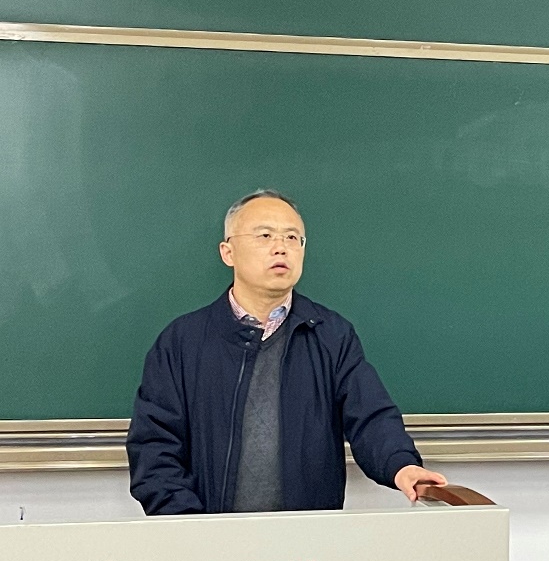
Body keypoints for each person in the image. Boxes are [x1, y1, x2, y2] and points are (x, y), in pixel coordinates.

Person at [126, 190, 446, 516]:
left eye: (292, 238)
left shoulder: (331, 335)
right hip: (209, 539)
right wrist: (189, 526)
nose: (281, 247)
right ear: (228, 252)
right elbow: (155, 447)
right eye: (265, 235)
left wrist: (401, 465)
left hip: (307, 538)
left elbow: (370, 417)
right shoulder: (182, 342)